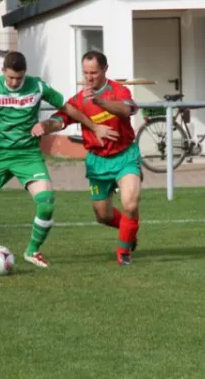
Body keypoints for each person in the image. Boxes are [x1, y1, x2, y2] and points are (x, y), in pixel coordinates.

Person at [0, 51, 118, 268]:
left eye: (19, 78)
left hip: (28, 155)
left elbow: (67, 108)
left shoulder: (37, 87)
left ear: (25, 73)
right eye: (10, 77)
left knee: (46, 202)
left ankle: (33, 251)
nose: (14, 82)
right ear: (3, 72)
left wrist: (94, 127)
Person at [41, 51, 142, 267]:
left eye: (94, 72)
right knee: (103, 216)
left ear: (105, 69)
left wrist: (100, 102)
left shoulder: (118, 90)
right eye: (86, 73)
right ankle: (130, 229)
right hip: (98, 161)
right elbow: (59, 120)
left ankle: (123, 251)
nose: (89, 77)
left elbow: (127, 109)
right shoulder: (78, 100)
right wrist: (45, 126)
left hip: (125, 156)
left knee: (130, 204)